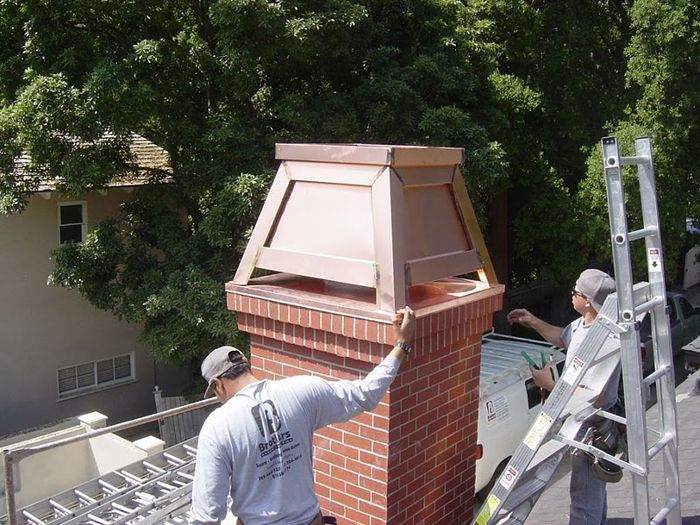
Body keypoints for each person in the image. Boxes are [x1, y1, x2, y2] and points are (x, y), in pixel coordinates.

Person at [189, 307, 416, 525]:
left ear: (217, 384)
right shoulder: (302, 390)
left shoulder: (217, 427)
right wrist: (402, 344)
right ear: (247, 366)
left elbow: (206, 516)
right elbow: (365, 394)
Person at [507, 269, 618, 525]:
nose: (572, 296)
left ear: (588, 301)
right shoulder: (585, 325)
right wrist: (533, 321)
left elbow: (593, 395)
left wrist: (549, 383)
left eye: (576, 293)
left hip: (589, 427)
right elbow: (564, 336)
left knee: (584, 499)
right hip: (582, 422)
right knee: (594, 493)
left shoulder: (602, 339)